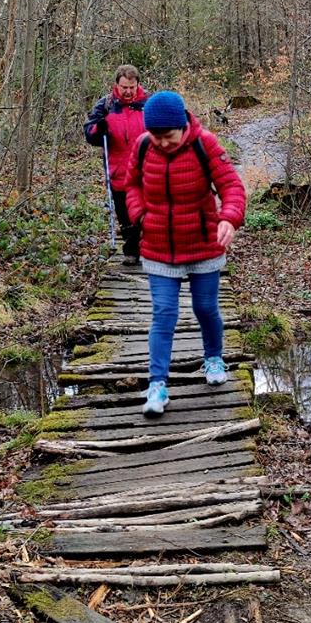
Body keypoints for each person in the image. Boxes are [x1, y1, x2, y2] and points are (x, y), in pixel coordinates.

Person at [125, 90, 246, 417]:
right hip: (158, 246)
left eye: (168, 136)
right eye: (156, 135)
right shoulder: (143, 146)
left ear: (182, 127)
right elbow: (130, 185)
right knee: (164, 313)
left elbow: (232, 187)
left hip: (203, 243)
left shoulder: (204, 144)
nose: (162, 142)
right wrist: (139, 215)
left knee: (205, 307)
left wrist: (230, 218)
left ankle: (213, 358)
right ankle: (157, 384)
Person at [84, 64, 149, 263]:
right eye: (124, 87)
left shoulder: (149, 103)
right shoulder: (106, 105)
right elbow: (90, 133)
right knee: (124, 212)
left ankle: (148, 247)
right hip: (118, 168)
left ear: (138, 84)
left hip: (147, 167)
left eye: (132, 87)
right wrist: (99, 129)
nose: (128, 91)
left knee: (148, 209)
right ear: (116, 85)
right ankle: (131, 251)